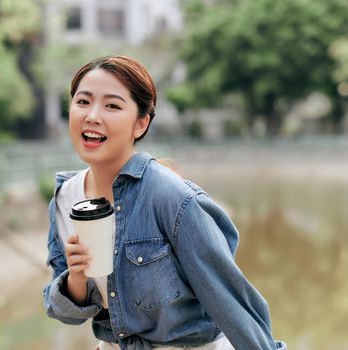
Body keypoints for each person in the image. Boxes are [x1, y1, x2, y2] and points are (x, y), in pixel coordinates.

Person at [43, 55, 287, 350]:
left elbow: (233, 305)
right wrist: (77, 278)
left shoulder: (172, 198)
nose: (93, 115)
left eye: (112, 106)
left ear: (140, 123)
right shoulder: (66, 198)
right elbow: (61, 312)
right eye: (83, 102)